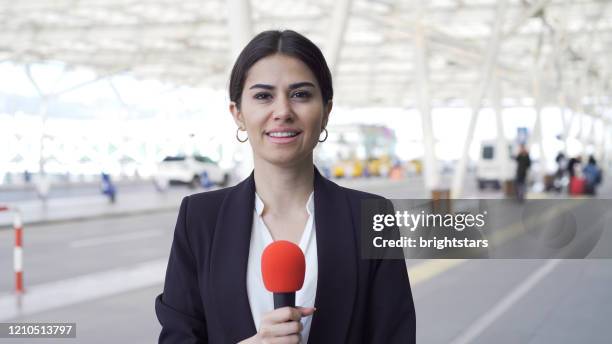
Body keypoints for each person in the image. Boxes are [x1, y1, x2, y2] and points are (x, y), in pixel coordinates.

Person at [155, 30, 416, 343]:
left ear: (327, 112)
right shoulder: (199, 218)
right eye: (263, 96)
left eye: (301, 95)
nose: (282, 112)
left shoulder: (371, 217)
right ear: (237, 114)